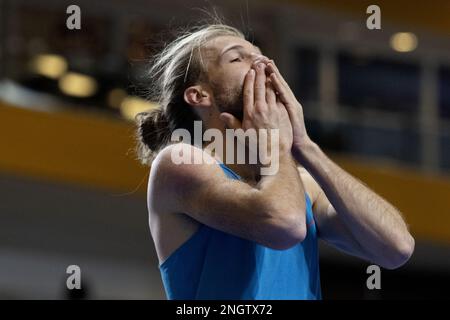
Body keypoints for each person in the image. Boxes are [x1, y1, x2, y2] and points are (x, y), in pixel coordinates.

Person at [135, 23, 414, 299]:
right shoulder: (179, 161)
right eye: (237, 57)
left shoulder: (299, 182)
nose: (262, 61)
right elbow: (285, 224)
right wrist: (279, 145)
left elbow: (396, 248)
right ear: (199, 95)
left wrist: (305, 147)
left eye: (259, 53)